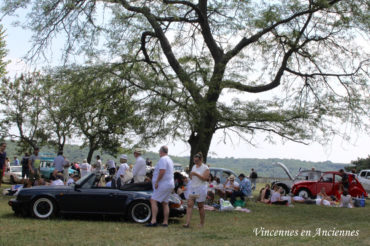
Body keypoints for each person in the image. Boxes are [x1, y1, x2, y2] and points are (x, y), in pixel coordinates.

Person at [146, 146, 174, 227]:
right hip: (169, 184)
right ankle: (165, 222)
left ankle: (153, 220)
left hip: (163, 184)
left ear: (161, 152)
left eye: (159, 151)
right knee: (165, 203)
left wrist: (157, 181)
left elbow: (162, 171)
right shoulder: (169, 159)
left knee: (153, 200)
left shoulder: (163, 159)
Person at [183, 152, 210, 228]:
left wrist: (195, 174)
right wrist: (191, 176)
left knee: (200, 206)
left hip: (201, 188)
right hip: (193, 187)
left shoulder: (205, 168)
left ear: (201, 160)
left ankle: (202, 223)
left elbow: (205, 178)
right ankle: (187, 223)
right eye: (194, 161)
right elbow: (192, 177)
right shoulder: (194, 167)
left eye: (197, 161)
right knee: (189, 204)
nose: (195, 162)